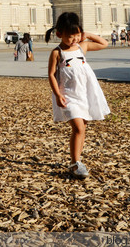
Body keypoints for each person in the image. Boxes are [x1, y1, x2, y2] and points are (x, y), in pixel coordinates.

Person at [45, 12, 110, 179]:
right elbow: (51, 74)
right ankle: (75, 163)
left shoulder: (82, 46)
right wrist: (57, 94)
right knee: (78, 128)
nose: (74, 40)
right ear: (59, 34)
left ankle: (78, 160)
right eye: (69, 37)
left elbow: (104, 43)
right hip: (68, 95)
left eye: (76, 36)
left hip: (85, 93)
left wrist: (86, 35)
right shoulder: (57, 52)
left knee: (82, 128)